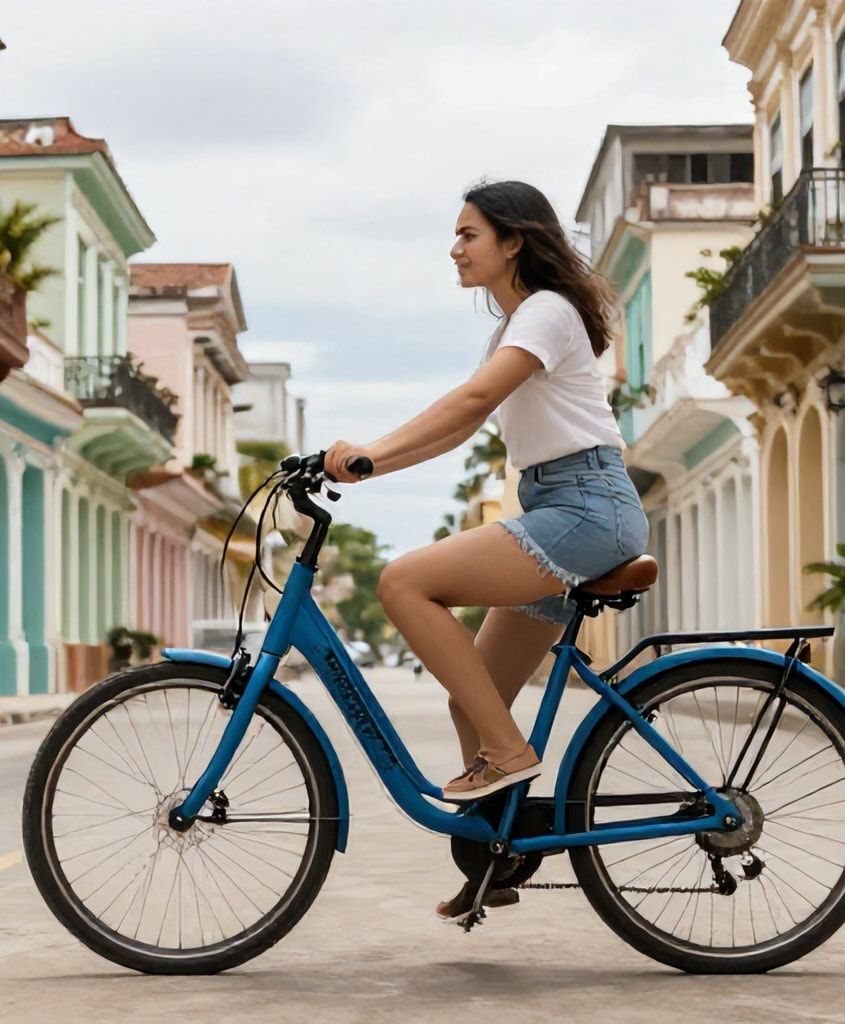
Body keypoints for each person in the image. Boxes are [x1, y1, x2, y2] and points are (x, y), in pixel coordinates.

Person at [321, 180, 649, 918]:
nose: (454, 247)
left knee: (404, 582)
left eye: (468, 233)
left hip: (587, 506)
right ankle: (501, 854)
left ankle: (508, 758)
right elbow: (459, 429)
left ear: (513, 242)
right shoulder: (512, 329)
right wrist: (372, 466)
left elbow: (468, 405)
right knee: (474, 700)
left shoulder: (546, 311)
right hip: (558, 505)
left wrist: (370, 449)